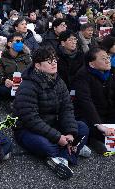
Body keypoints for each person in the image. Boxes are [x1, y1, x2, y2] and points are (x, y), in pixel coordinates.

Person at [13, 46, 89, 180]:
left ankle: (62, 159)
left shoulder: (58, 81)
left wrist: (70, 133)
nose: (54, 63)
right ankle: (71, 150)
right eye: (49, 61)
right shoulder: (27, 86)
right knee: (47, 146)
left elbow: (67, 108)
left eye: (55, 60)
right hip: (27, 129)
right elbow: (31, 119)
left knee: (82, 127)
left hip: (53, 124)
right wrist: (58, 137)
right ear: (37, 65)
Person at [72, 47, 115, 154]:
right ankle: (93, 140)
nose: (107, 60)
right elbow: (86, 101)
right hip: (89, 114)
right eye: (103, 58)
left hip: (107, 111)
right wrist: (98, 124)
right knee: (87, 127)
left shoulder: (109, 72)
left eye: (108, 57)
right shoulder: (82, 75)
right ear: (92, 64)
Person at [0, 33, 32, 99]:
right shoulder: (1, 58)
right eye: (17, 41)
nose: (20, 43)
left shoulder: (26, 56)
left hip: (25, 84)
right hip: (10, 85)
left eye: (22, 41)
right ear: (9, 44)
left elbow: (32, 71)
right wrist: (4, 80)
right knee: (3, 90)